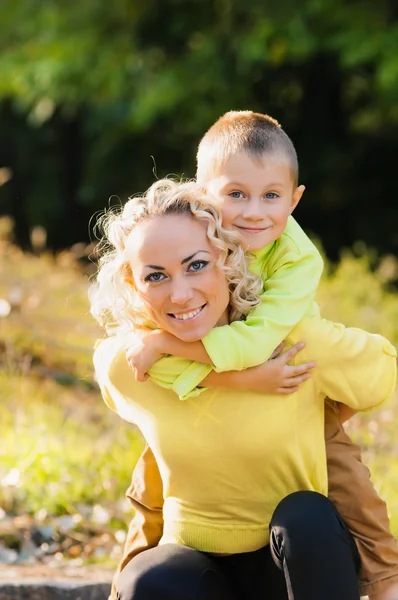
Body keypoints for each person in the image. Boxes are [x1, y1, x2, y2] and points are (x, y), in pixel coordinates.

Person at [120, 111, 398, 600]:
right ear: (202, 195)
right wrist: (223, 376)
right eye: (236, 195)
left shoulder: (295, 257)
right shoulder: (194, 238)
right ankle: (130, 578)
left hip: (284, 362)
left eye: (271, 197)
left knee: (339, 471)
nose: (252, 212)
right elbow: (123, 357)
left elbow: (258, 344)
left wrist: (169, 345)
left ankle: (386, 577)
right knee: (158, 471)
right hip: (201, 529)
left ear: (294, 200)